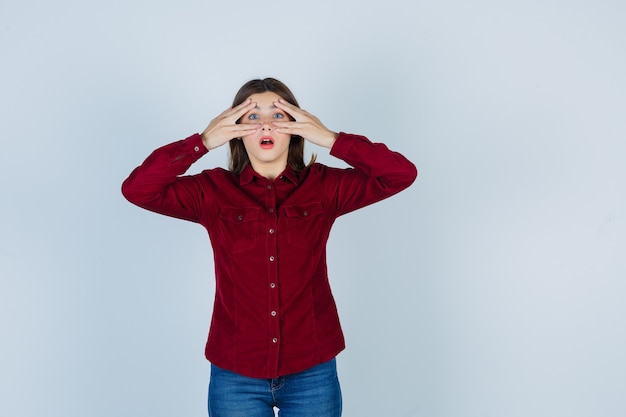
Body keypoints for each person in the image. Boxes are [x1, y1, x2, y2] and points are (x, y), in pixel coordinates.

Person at [121, 77, 417, 417]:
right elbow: (138, 189)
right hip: (235, 373)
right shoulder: (212, 192)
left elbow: (400, 174)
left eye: (278, 115)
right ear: (234, 129)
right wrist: (201, 142)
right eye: (251, 116)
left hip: (312, 370)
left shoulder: (324, 187)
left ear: (296, 126)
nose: (265, 124)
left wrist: (330, 138)